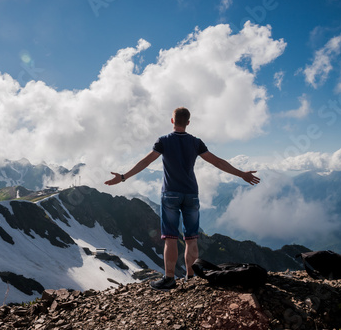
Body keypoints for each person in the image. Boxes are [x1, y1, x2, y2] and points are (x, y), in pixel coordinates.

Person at [104, 107, 260, 291]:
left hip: (170, 193)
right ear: (188, 122)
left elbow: (145, 162)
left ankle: (169, 279)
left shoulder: (163, 141)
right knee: (191, 239)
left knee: (170, 239)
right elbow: (217, 162)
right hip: (191, 194)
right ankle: (192, 277)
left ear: (172, 121)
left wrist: (123, 177)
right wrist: (241, 174)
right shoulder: (196, 142)